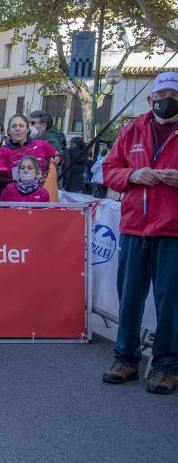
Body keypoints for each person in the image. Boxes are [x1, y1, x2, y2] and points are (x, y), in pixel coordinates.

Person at [100, 71, 178, 394]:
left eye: (171, 96)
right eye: (159, 97)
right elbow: (108, 171)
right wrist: (133, 175)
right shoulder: (131, 130)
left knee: (169, 301)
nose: (165, 102)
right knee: (129, 297)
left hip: (172, 231)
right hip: (134, 227)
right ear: (150, 100)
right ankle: (126, 359)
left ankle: (165, 366)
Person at [0, 114, 59, 193]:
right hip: (13, 198)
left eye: (21, 126)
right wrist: (24, 181)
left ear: (28, 129)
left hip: (39, 197)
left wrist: (58, 158)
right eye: (14, 126)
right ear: (9, 131)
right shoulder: (3, 151)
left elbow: (59, 159)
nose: (17, 129)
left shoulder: (42, 145)